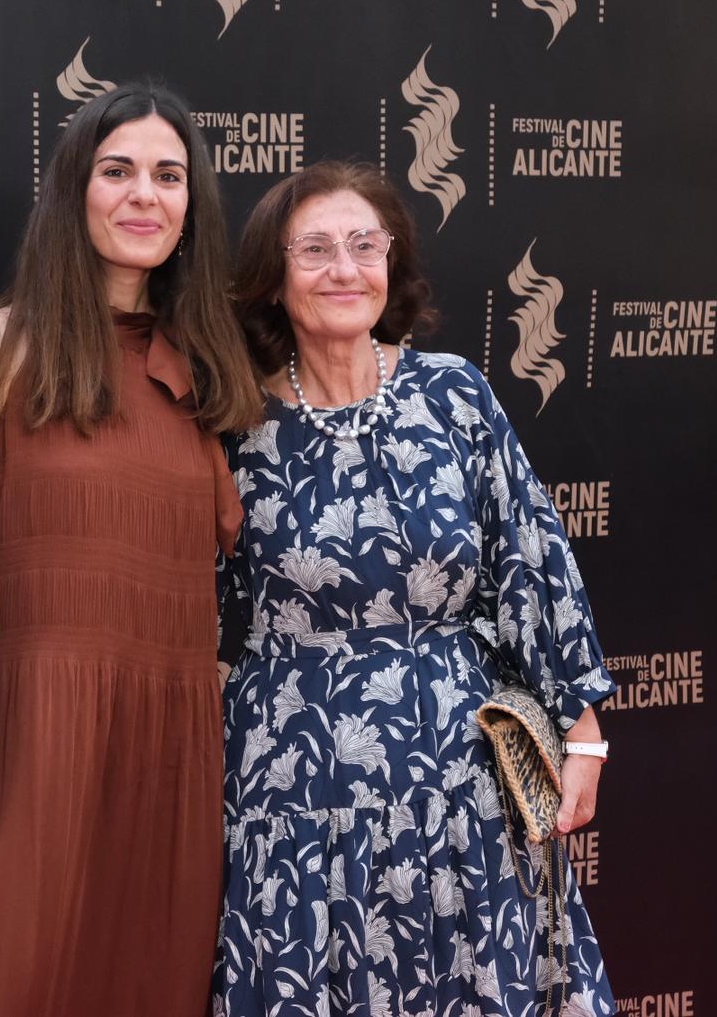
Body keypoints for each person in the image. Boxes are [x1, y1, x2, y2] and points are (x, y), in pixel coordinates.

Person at [215, 160, 614, 1016]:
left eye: (365, 245)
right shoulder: (234, 421)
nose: (344, 269)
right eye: (315, 249)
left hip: (459, 780)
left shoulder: (452, 393)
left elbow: (530, 556)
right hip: (294, 782)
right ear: (273, 277)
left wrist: (582, 736)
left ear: (391, 263)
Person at [0, 81, 263, 1017]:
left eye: (167, 175)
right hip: (28, 744)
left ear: (192, 206)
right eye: (116, 171)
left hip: (172, 755)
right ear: (74, 189)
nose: (143, 195)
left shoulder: (214, 367)